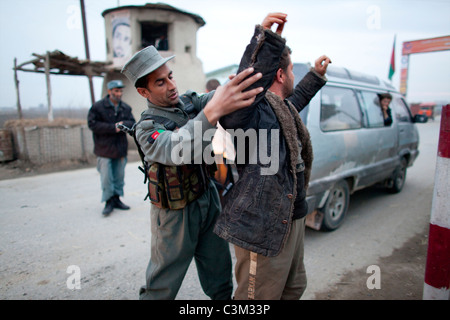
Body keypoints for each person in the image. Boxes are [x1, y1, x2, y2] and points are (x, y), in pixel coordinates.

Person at [121, 45, 263, 300]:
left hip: (207, 197)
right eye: (160, 83)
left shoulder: (188, 102)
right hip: (175, 214)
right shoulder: (147, 127)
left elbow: (220, 97)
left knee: (219, 273)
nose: (171, 85)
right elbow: (178, 149)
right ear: (144, 91)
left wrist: (259, 45)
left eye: (171, 76)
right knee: (162, 285)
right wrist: (212, 111)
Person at [214, 13, 331, 300]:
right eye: (291, 71)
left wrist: (315, 76)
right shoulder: (251, 113)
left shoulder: (282, 108)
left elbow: (296, 99)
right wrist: (266, 41)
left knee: (292, 288)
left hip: (291, 218)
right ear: (280, 74)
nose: (293, 76)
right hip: (261, 226)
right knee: (257, 298)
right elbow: (246, 92)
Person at [87, 80, 136, 216]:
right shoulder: (97, 107)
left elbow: (132, 123)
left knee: (119, 176)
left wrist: (122, 125)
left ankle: (117, 199)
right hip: (104, 148)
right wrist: (112, 128)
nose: (119, 93)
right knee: (107, 177)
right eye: (116, 91)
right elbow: (92, 124)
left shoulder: (126, 108)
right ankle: (108, 201)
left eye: (120, 91)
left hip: (120, 148)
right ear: (109, 92)